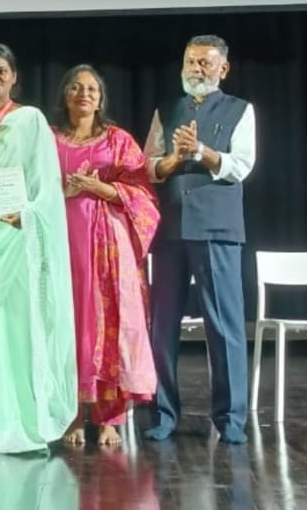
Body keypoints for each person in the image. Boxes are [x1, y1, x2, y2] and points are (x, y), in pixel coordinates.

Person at [0, 43, 76, 453]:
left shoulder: (29, 120)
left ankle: (23, 420)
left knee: (17, 330)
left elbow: (46, 182)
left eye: (2, 70)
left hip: (17, 236)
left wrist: (28, 216)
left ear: (14, 77)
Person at [143, 36, 256, 444]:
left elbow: (241, 165)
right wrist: (172, 160)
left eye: (206, 64)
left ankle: (230, 420)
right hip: (169, 230)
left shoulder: (240, 110)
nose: (197, 69)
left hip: (217, 230)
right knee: (162, 326)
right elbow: (148, 166)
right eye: (191, 61)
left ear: (222, 69)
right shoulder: (166, 110)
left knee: (223, 327)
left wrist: (202, 152)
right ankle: (162, 413)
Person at [53, 65, 160, 447]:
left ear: (101, 99)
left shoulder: (117, 141)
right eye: (76, 88)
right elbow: (30, 184)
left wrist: (101, 188)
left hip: (107, 251)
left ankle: (110, 417)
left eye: (92, 89)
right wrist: (60, 191)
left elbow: (144, 195)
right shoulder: (49, 139)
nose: (84, 94)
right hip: (61, 246)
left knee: (108, 325)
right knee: (68, 326)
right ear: (65, 95)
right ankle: (71, 416)